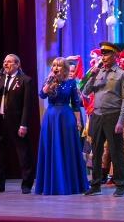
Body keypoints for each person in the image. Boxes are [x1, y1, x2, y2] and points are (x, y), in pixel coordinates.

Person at [82, 42, 124, 197]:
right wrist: (92, 75)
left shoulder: (122, 74)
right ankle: (95, 184)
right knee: (96, 151)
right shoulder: (98, 72)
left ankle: (121, 184)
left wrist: (121, 121)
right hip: (97, 115)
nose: (103, 57)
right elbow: (85, 91)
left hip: (113, 115)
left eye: (107, 54)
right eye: (102, 54)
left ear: (115, 56)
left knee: (116, 151)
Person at [35, 57, 88, 195]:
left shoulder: (71, 83)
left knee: (68, 148)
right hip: (51, 117)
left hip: (66, 116)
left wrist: (78, 122)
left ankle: (70, 184)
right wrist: (49, 82)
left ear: (64, 68)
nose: (55, 68)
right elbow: (42, 95)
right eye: (54, 65)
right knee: (52, 148)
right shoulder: (49, 80)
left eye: (59, 66)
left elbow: (75, 104)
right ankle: (53, 184)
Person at [0, 54, 36, 194]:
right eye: (4, 62)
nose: (5, 64)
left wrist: (23, 124)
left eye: (9, 62)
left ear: (17, 64)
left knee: (23, 153)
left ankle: (26, 184)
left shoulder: (25, 80)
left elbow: (27, 105)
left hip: (17, 122)